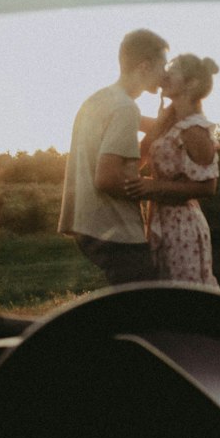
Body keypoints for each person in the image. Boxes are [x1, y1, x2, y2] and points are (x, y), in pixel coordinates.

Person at [58, 28, 168, 284]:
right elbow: (107, 179)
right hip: (115, 228)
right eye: (162, 66)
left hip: (87, 224)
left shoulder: (100, 100)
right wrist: (160, 189)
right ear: (144, 66)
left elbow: (120, 165)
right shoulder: (125, 108)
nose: (165, 74)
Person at [125, 54, 220, 286]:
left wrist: (153, 186)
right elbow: (132, 121)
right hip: (161, 219)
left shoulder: (195, 128)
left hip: (182, 226)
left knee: (188, 298)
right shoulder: (170, 121)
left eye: (173, 69)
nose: (165, 74)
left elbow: (208, 187)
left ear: (192, 83)